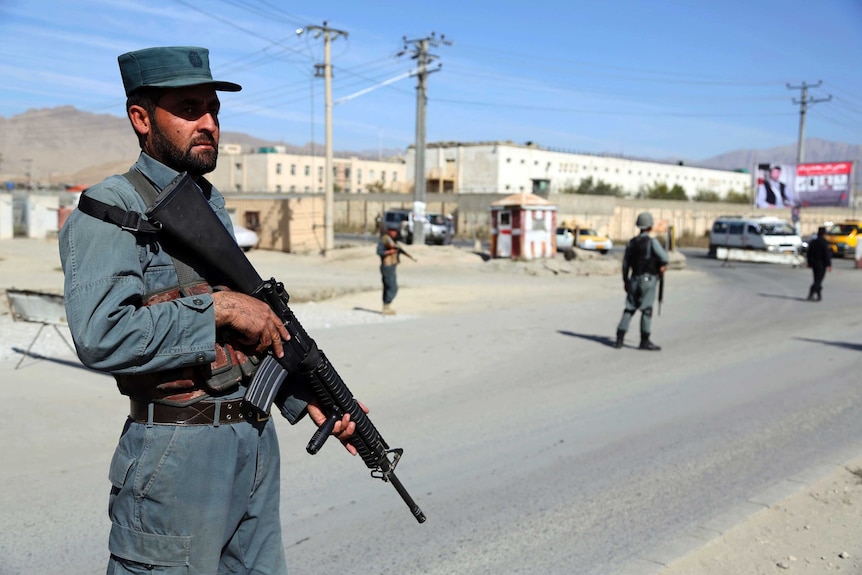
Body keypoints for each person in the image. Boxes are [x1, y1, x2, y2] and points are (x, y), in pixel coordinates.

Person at [59, 46, 362, 575]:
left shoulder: (207, 203)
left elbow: (246, 338)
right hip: (178, 452)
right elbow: (100, 334)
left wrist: (302, 398)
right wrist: (217, 308)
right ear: (141, 118)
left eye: (214, 109)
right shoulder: (111, 208)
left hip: (253, 440)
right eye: (190, 107)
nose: (208, 123)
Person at [615, 212, 669, 350]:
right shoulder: (652, 242)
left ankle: (620, 337)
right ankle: (644, 340)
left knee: (629, 308)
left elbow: (625, 264)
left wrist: (625, 280)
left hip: (634, 279)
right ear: (650, 226)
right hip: (648, 279)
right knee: (646, 310)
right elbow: (664, 258)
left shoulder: (631, 243)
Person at [378, 227, 401, 315]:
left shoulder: (392, 240)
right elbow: (379, 251)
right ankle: (386, 305)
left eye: (395, 231)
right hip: (387, 266)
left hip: (392, 266)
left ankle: (386, 307)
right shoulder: (384, 240)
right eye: (392, 231)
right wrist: (390, 251)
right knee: (392, 287)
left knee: (389, 287)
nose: (394, 233)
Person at [806, 226, 833, 301]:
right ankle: (811, 293)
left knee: (816, 279)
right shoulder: (825, 243)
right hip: (822, 264)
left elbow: (809, 253)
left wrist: (809, 262)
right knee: (818, 280)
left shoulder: (813, 242)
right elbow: (827, 255)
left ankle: (819, 295)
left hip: (814, 264)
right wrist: (829, 265)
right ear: (824, 234)